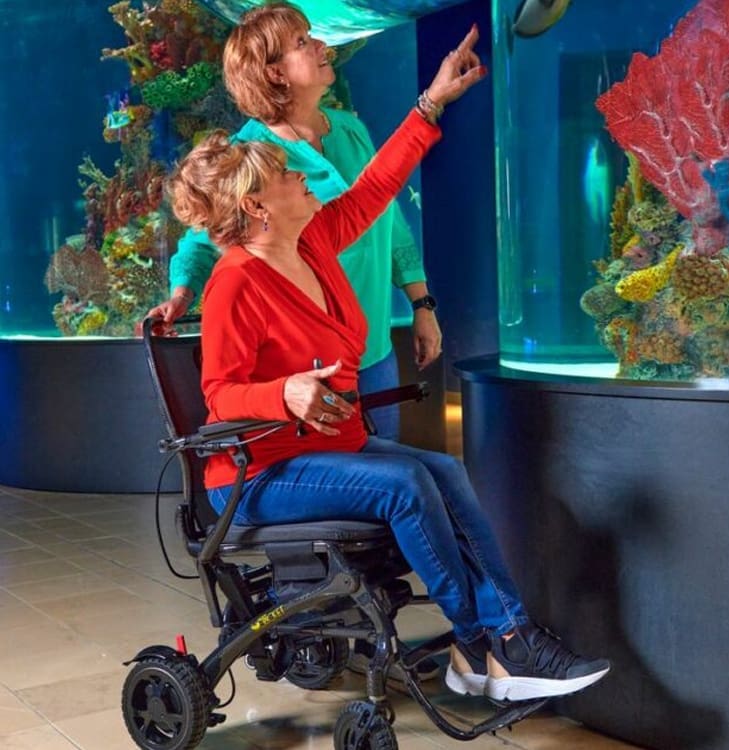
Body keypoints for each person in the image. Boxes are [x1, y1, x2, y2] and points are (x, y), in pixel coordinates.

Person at [166, 25, 610, 703]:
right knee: (404, 483)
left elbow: (376, 190)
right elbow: (221, 395)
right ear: (258, 206)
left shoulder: (312, 242)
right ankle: (480, 642)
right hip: (258, 474)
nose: (305, 180)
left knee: (441, 468)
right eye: (292, 177)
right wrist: (284, 392)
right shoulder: (235, 282)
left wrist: (431, 103)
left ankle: (509, 638)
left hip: (319, 448)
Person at [146, 1, 441, 440]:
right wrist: (182, 292)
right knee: (361, 481)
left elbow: (387, 215)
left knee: (386, 471)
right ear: (274, 73)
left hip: (374, 342)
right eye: (303, 41)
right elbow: (205, 237)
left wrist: (422, 305)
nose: (323, 45)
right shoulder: (252, 158)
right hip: (313, 365)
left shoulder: (348, 127)